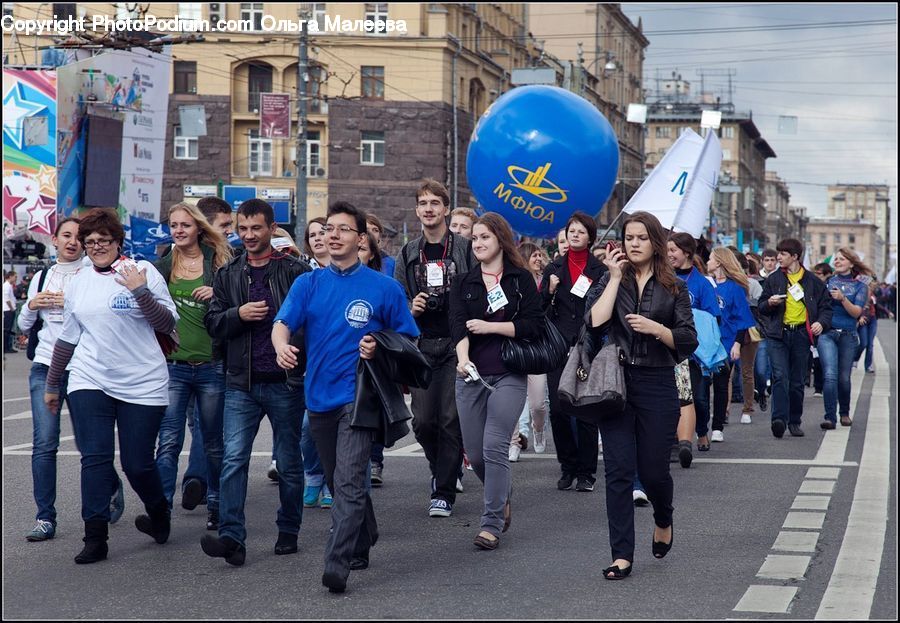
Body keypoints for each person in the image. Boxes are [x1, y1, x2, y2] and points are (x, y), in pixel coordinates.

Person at [273, 201, 419, 593]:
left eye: (342, 229)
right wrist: (281, 347)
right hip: (317, 398)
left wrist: (378, 343)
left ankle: (336, 565)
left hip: (359, 398)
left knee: (351, 481)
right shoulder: (309, 283)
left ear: (360, 238)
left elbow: (409, 339)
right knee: (340, 483)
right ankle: (364, 534)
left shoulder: (384, 288)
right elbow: (282, 324)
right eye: (328, 229)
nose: (332, 235)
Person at [43, 208, 179, 564]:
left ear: (118, 242)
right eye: (90, 243)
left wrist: (140, 292)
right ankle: (95, 536)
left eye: (104, 241)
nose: (97, 247)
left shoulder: (143, 271)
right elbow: (67, 340)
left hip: (143, 381)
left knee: (138, 465)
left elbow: (165, 323)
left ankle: (159, 512)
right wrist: (53, 383)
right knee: (96, 458)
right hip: (91, 378)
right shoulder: (80, 283)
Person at [586, 211, 697, 580]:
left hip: (657, 381)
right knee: (617, 471)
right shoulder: (609, 278)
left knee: (652, 471)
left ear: (655, 243)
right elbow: (595, 321)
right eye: (628, 237)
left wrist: (656, 329)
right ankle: (622, 556)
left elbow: (687, 340)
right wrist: (615, 278)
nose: (633, 243)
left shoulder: (674, 287)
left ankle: (663, 517)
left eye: (641, 238)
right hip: (615, 383)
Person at [200, 199, 311, 566]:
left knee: (290, 463)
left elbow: (311, 323)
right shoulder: (228, 272)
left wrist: (299, 358)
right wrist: (238, 314)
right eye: (242, 229)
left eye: (255, 229)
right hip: (241, 383)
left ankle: (289, 529)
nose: (248, 236)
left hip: (285, 382)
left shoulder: (296, 271)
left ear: (271, 228)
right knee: (234, 459)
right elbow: (213, 323)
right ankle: (232, 537)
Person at [18, 218, 125, 541]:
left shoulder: (93, 274)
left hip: (83, 367)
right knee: (44, 443)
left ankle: (109, 482)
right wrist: (31, 304)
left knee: (88, 442)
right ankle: (45, 517)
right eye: (66, 236)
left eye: (80, 237)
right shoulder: (42, 276)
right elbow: (25, 325)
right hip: (45, 365)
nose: (73, 242)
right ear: (54, 240)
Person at [450, 213, 543, 550]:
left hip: (508, 372)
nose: (477, 243)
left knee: (494, 446)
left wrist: (491, 327)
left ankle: (490, 524)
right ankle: (501, 492)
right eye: (474, 238)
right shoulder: (464, 282)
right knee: (475, 454)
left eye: (484, 237)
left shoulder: (520, 279)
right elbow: (458, 326)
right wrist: (462, 360)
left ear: (500, 240)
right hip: (471, 374)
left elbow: (533, 325)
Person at [395, 179, 472, 518]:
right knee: (424, 423)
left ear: (445, 208)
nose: (428, 208)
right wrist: (412, 306)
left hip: (457, 343)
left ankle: (443, 491)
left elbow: (478, 289)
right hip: (422, 345)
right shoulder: (409, 252)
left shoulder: (464, 249)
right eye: (423, 203)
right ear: (416, 210)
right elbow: (397, 298)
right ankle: (442, 466)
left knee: (450, 419)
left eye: (434, 203)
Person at [153, 203, 232, 532]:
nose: (179, 230)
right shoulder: (163, 265)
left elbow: (237, 301)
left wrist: (217, 293)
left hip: (212, 364)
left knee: (213, 442)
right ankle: (161, 511)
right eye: (174, 225)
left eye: (185, 225)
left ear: (199, 227)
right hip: (174, 366)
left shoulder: (219, 262)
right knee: (168, 440)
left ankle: (215, 503)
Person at [540, 212, 607, 491]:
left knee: (586, 410)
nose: (574, 235)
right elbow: (539, 310)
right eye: (571, 231)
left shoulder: (599, 270)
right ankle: (567, 466)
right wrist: (550, 290)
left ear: (590, 237)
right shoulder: (553, 268)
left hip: (587, 345)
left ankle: (586, 472)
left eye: (581, 231)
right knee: (558, 409)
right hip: (558, 346)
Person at [758, 238, 832, 439]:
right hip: (778, 335)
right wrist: (770, 303)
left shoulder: (812, 281)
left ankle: (795, 421)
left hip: (801, 334)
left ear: (795, 257)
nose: (778, 257)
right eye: (778, 253)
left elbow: (826, 307)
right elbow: (761, 306)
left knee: (797, 381)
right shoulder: (774, 280)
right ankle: (779, 420)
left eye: (782, 254)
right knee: (780, 377)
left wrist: (821, 323)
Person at [666, 232, 720, 462]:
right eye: (666, 251)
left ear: (686, 253)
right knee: (670, 397)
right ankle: (675, 441)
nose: (668, 255)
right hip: (667, 347)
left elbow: (712, 317)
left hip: (694, 351)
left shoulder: (702, 283)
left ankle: (701, 431)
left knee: (696, 397)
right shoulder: (663, 277)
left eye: (673, 251)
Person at [818, 249, 869, 429]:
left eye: (842, 259)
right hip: (828, 334)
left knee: (843, 378)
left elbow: (856, 312)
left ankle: (844, 412)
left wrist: (842, 299)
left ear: (851, 263)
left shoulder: (860, 285)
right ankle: (829, 417)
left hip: (848, 335)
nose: (837, 261)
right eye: (836, 259)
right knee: (830, 375)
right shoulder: (827, 282)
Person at [508, 242, 550, 459]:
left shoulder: (546, 281)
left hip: (537, 348)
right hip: (515, 345)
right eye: (534, 255)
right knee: (512, 399)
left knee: (538, 403)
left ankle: (538, 428)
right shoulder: (513, 281)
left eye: (540, 255)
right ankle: (514, 442)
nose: (538, 259)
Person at [731, 250, 763, 425]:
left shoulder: (750, 283)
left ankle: (748, 408)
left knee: (746, 371)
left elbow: (759, 307)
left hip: (749, 330)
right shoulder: (723, 284)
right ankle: (724, 411)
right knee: (726, 372)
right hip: (729, 330)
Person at [855, 280, 893, 373]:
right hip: (863, 320)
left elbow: (877, 305)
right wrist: (859, 317)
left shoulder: (873, 294)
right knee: (864, 343)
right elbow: (857, 306)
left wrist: (887, 312)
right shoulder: (860, 293)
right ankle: (854, 358)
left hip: (872, 319)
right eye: (872, 284)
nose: (874, 286)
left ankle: (868, 366)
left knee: (870, 344)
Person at [810, 263, 834, 395]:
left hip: (828, 326)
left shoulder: (832, 287)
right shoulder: (811, 286)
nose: (816, 276)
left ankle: (827, 386)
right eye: (815, 273)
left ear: (827, 275)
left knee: (828, 362)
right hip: (814, 326)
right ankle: (818, 387)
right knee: (817, 357)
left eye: (819, 274)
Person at [4, 270, 17, 353]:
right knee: (7, 329)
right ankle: (6, 347)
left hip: (8, 309)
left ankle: (7, 346)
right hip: (8, 310)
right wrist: (11, 308)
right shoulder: (7, 286)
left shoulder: (9, 286)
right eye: (15, 277)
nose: (16, 278)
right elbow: (7, 298)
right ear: (10, 276)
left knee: (8, 329)